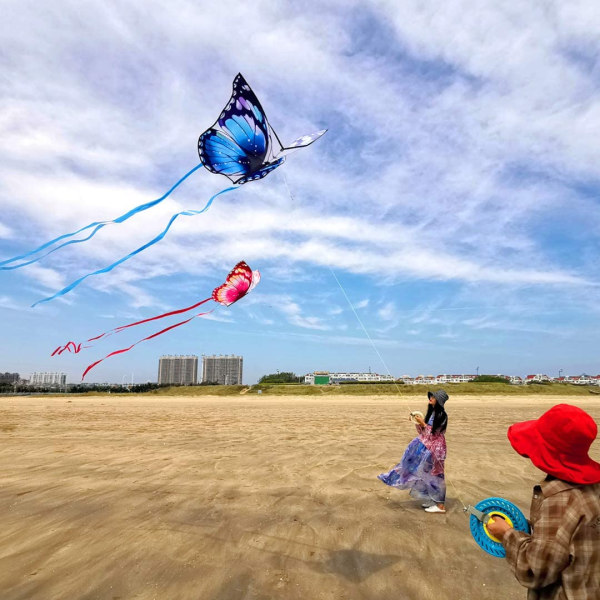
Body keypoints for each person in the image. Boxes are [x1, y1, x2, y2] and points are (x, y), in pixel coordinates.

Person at [487, 403, 600, 600]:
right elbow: (570, 538)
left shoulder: (558, 499)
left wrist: (506, 534)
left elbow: (535, 569)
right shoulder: (594, 488)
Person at [378, 390, 448, 513]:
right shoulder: (432, 413)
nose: (431, 398)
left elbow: (433, 434)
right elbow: (423, 432)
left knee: (435, 475)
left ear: (439, 400)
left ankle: (440, 505)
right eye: (431, 396)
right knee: (424, 473)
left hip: (434, 450)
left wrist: (423, 424)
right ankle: (434, 500)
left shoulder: (442, 415)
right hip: (425, 447)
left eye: (433, 397)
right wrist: (417, 422)